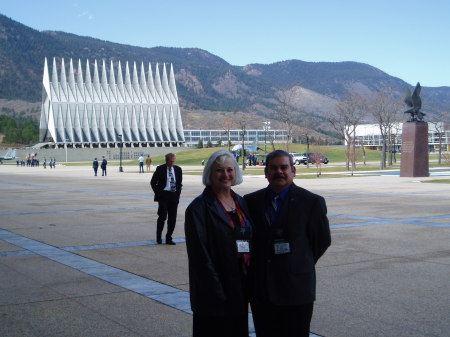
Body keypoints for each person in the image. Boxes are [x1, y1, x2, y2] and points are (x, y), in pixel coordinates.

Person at [244, 150, 331, 337]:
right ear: (265, 172)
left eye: (284, 167)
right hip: (262, 290)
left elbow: (322, 241)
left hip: (297, 289)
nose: (279, 172)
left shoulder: (311, 202)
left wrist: (298, 261)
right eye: (273, 168)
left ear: (293, 170)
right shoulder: (250, 202)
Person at [185, 150, 253, 337]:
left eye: (230, 170)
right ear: (210, 174)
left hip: (240, 285)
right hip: (214, 291)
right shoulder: (198, 208)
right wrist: (218, 291)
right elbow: (200, 257)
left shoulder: (240, 202)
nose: (226, 175)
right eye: (219, 170)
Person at [150, 153, 182, 245]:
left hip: (173, 196)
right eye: (171, 161)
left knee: (172, 218)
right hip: (163, 196)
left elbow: (179, 184)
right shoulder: (160, 169)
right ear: (167, 160)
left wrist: (177, 195)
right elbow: (153, 182)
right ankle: (158, 237)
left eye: (173, 161)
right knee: (162, 217)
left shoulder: (178, 169)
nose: (172, 163)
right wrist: (159, 194)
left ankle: (169, 238)